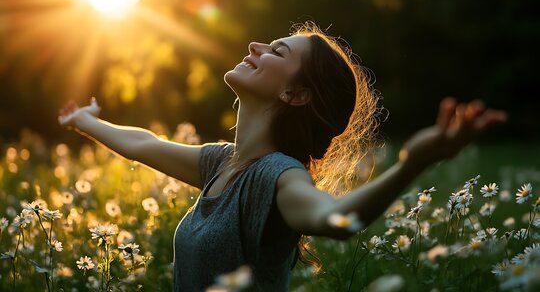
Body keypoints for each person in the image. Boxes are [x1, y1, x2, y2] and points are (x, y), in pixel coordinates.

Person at [58, 24, 507, 291]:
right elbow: (142, 143)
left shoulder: (279, 177)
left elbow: (335, 221)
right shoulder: (221, 163)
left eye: (277, 52)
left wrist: (415, 162)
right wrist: (85, 120)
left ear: (294, 93)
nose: (255, 47)